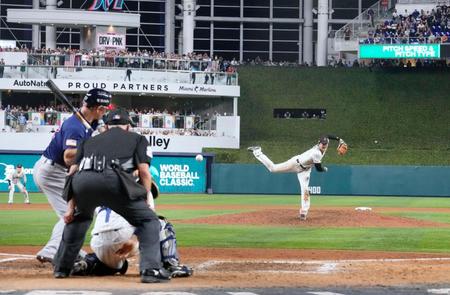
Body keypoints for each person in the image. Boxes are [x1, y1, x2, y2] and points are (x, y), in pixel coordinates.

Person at [53, 108, 170, 284]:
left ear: (106, 126)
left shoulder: (87, 141)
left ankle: (62, 268)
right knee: (149, 221)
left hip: (83, 183)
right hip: (114, 181)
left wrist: (70, 208)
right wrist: (147, 199)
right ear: (128, 126)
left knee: (79, 218)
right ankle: (150, 270)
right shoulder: (138, 139)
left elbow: (72, 173)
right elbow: (144, 172)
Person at [33, 88, 112, 263]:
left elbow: (102, 131)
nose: (106, 112)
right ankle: (52, 250)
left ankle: (67, 249)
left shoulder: (89, 121)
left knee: (77, 210)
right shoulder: (75, 126)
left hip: (54, 170)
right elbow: (69, 158)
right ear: (98, 108)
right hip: (53, 172)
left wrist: (100, 131)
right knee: (73, 213)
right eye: (105, 109)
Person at [248, 135, 346, 221]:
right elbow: (319, 169)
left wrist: (339, 139)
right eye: (322, 144)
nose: (324, 145)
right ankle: (258, 151)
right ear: (318, 143)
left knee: (305, 190)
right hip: (295, 163)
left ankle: (303, 212)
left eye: (326, 143)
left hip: (305, 170)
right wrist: (325, 169)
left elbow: (327, 135)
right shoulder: (317, 153)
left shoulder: (325, 145)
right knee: (273, 169)